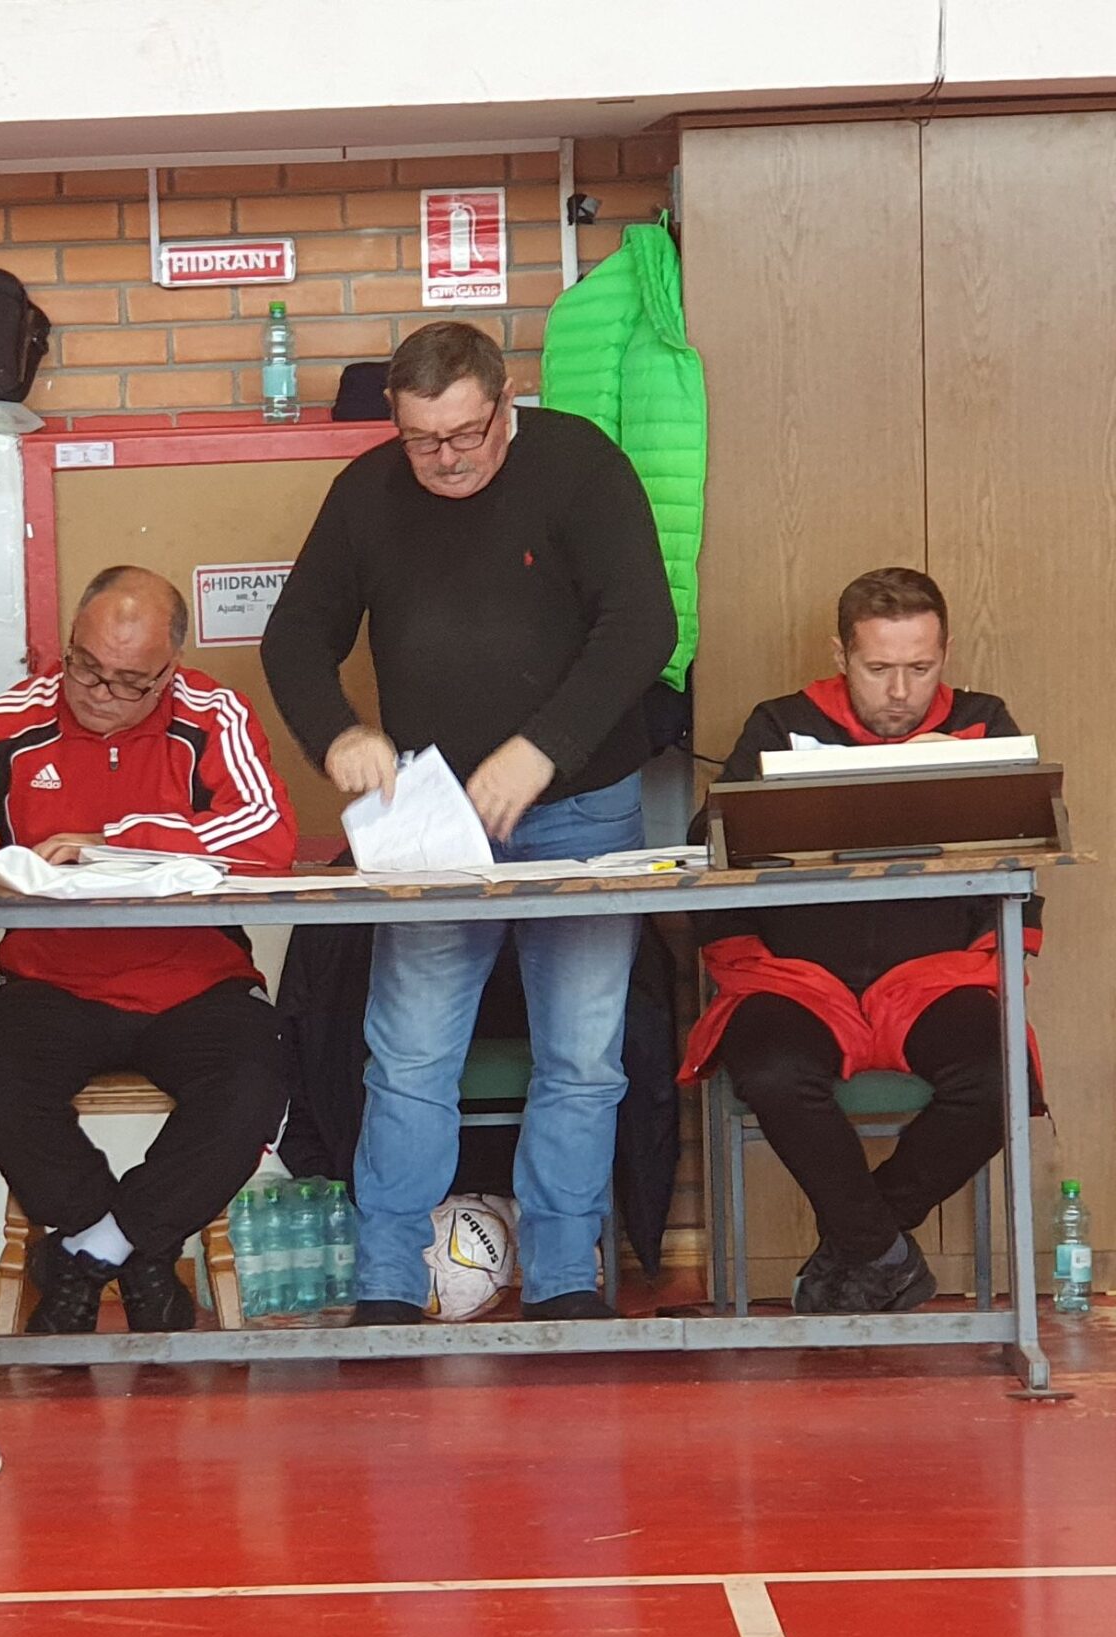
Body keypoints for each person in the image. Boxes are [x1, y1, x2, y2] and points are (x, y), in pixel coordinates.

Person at [261, 320, 675, 1325]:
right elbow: (293, 638)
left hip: (581, 805)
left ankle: (565, 1278)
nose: (445, 458)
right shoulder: (367, 493)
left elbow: (642, 626)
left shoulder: (580, 465)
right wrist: (338, 734)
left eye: (464, 434)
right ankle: (389, 1286)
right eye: (421, 439)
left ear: (505, 401)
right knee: (409, 1056)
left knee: (582, 1055)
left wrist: (544, 747)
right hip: (435, 818)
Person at [0, 566, 298, 1332]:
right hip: (53, 980)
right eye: (84, 666)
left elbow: (268, 832)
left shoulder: (212, 714)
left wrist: (116, 841)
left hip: (195, 980)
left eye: (128, 681)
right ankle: (132, 1252)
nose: (98, 692)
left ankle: (85, 1257)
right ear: (68, 643)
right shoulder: (10, 719)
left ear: (168, 671)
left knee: (254, 1087)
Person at [682, 568, 1039, 1312]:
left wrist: (990, 958)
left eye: (921, 667)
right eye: (878, 669)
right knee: (771, 1069)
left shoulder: (984, 725)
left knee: (999, 1077)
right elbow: (713, 849)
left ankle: (863, 1246)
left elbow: (1026, 855)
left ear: (945, 653)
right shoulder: (780, 726)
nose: (901, 691)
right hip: (800, 978)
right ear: (840, 655)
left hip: (934, 977)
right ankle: (884, 1252)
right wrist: (747, 962)